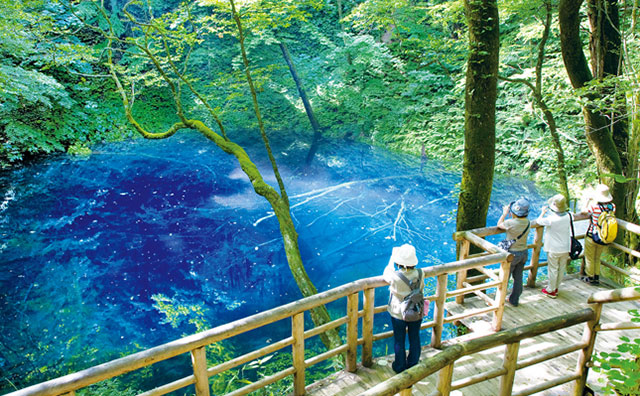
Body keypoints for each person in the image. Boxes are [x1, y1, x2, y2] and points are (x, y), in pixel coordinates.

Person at [383, 243, 424, 373]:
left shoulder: (395, 276)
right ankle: (413, 363)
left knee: (399, 340)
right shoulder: (420, 273)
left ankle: (399, 366)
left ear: (398, 261)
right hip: (416, 310)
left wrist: (392, 257)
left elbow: (386, 273)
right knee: (415, 337)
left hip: (398, 313)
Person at [497, 197, 531, 307]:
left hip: (512, 254)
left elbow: (499, 225)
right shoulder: (528, 222)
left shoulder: (510, 222)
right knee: (518, 277)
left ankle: (499, 301)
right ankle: (514, 299)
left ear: (513, 212)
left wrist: (504, 213)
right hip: (524, 252)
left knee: (505, 278)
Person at [536, 194, 571, 298]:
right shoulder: (569, 216)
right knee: (561, 268)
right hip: (565, 247)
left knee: (553, 269)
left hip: (553, 248)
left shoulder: (551, 218)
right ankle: (556, 287)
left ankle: (551, 290)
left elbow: (539, 221)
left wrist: (542, 212)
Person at [581, 184, 616, 285]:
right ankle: (596, 277)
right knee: (597, 257)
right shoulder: (612, 207)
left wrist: (588, 200)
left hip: (592, 235)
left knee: (589, 257)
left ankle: (590, 277)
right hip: (603, 236)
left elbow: (584, 211)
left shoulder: (594, 207)